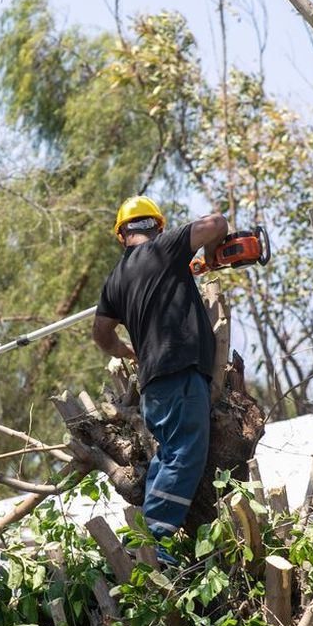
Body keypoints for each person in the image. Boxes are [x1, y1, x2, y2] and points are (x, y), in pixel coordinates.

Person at [92, 196, 227, 565]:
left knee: (168, 456)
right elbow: (216, 222)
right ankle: (156, 542)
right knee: (184, 454)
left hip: (153, 380)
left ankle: (146, 538)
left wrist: (127, 352)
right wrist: (213, 251)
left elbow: (101, 333)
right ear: (158, 227)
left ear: (122, 236)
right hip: (180, 370)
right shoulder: (166, 248)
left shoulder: (116, 280)